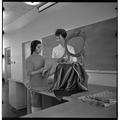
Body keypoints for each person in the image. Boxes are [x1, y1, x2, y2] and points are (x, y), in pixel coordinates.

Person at [25, 40, 45, 113]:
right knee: (36, 104)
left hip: (42, 84)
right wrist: (39, 71)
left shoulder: (42, 58)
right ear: (34, 48)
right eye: (38, 47)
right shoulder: (29, 59)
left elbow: (44, 70)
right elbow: (29, 73)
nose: (40, 49)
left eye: (41, 47)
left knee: (43, 104)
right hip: (33, 84)